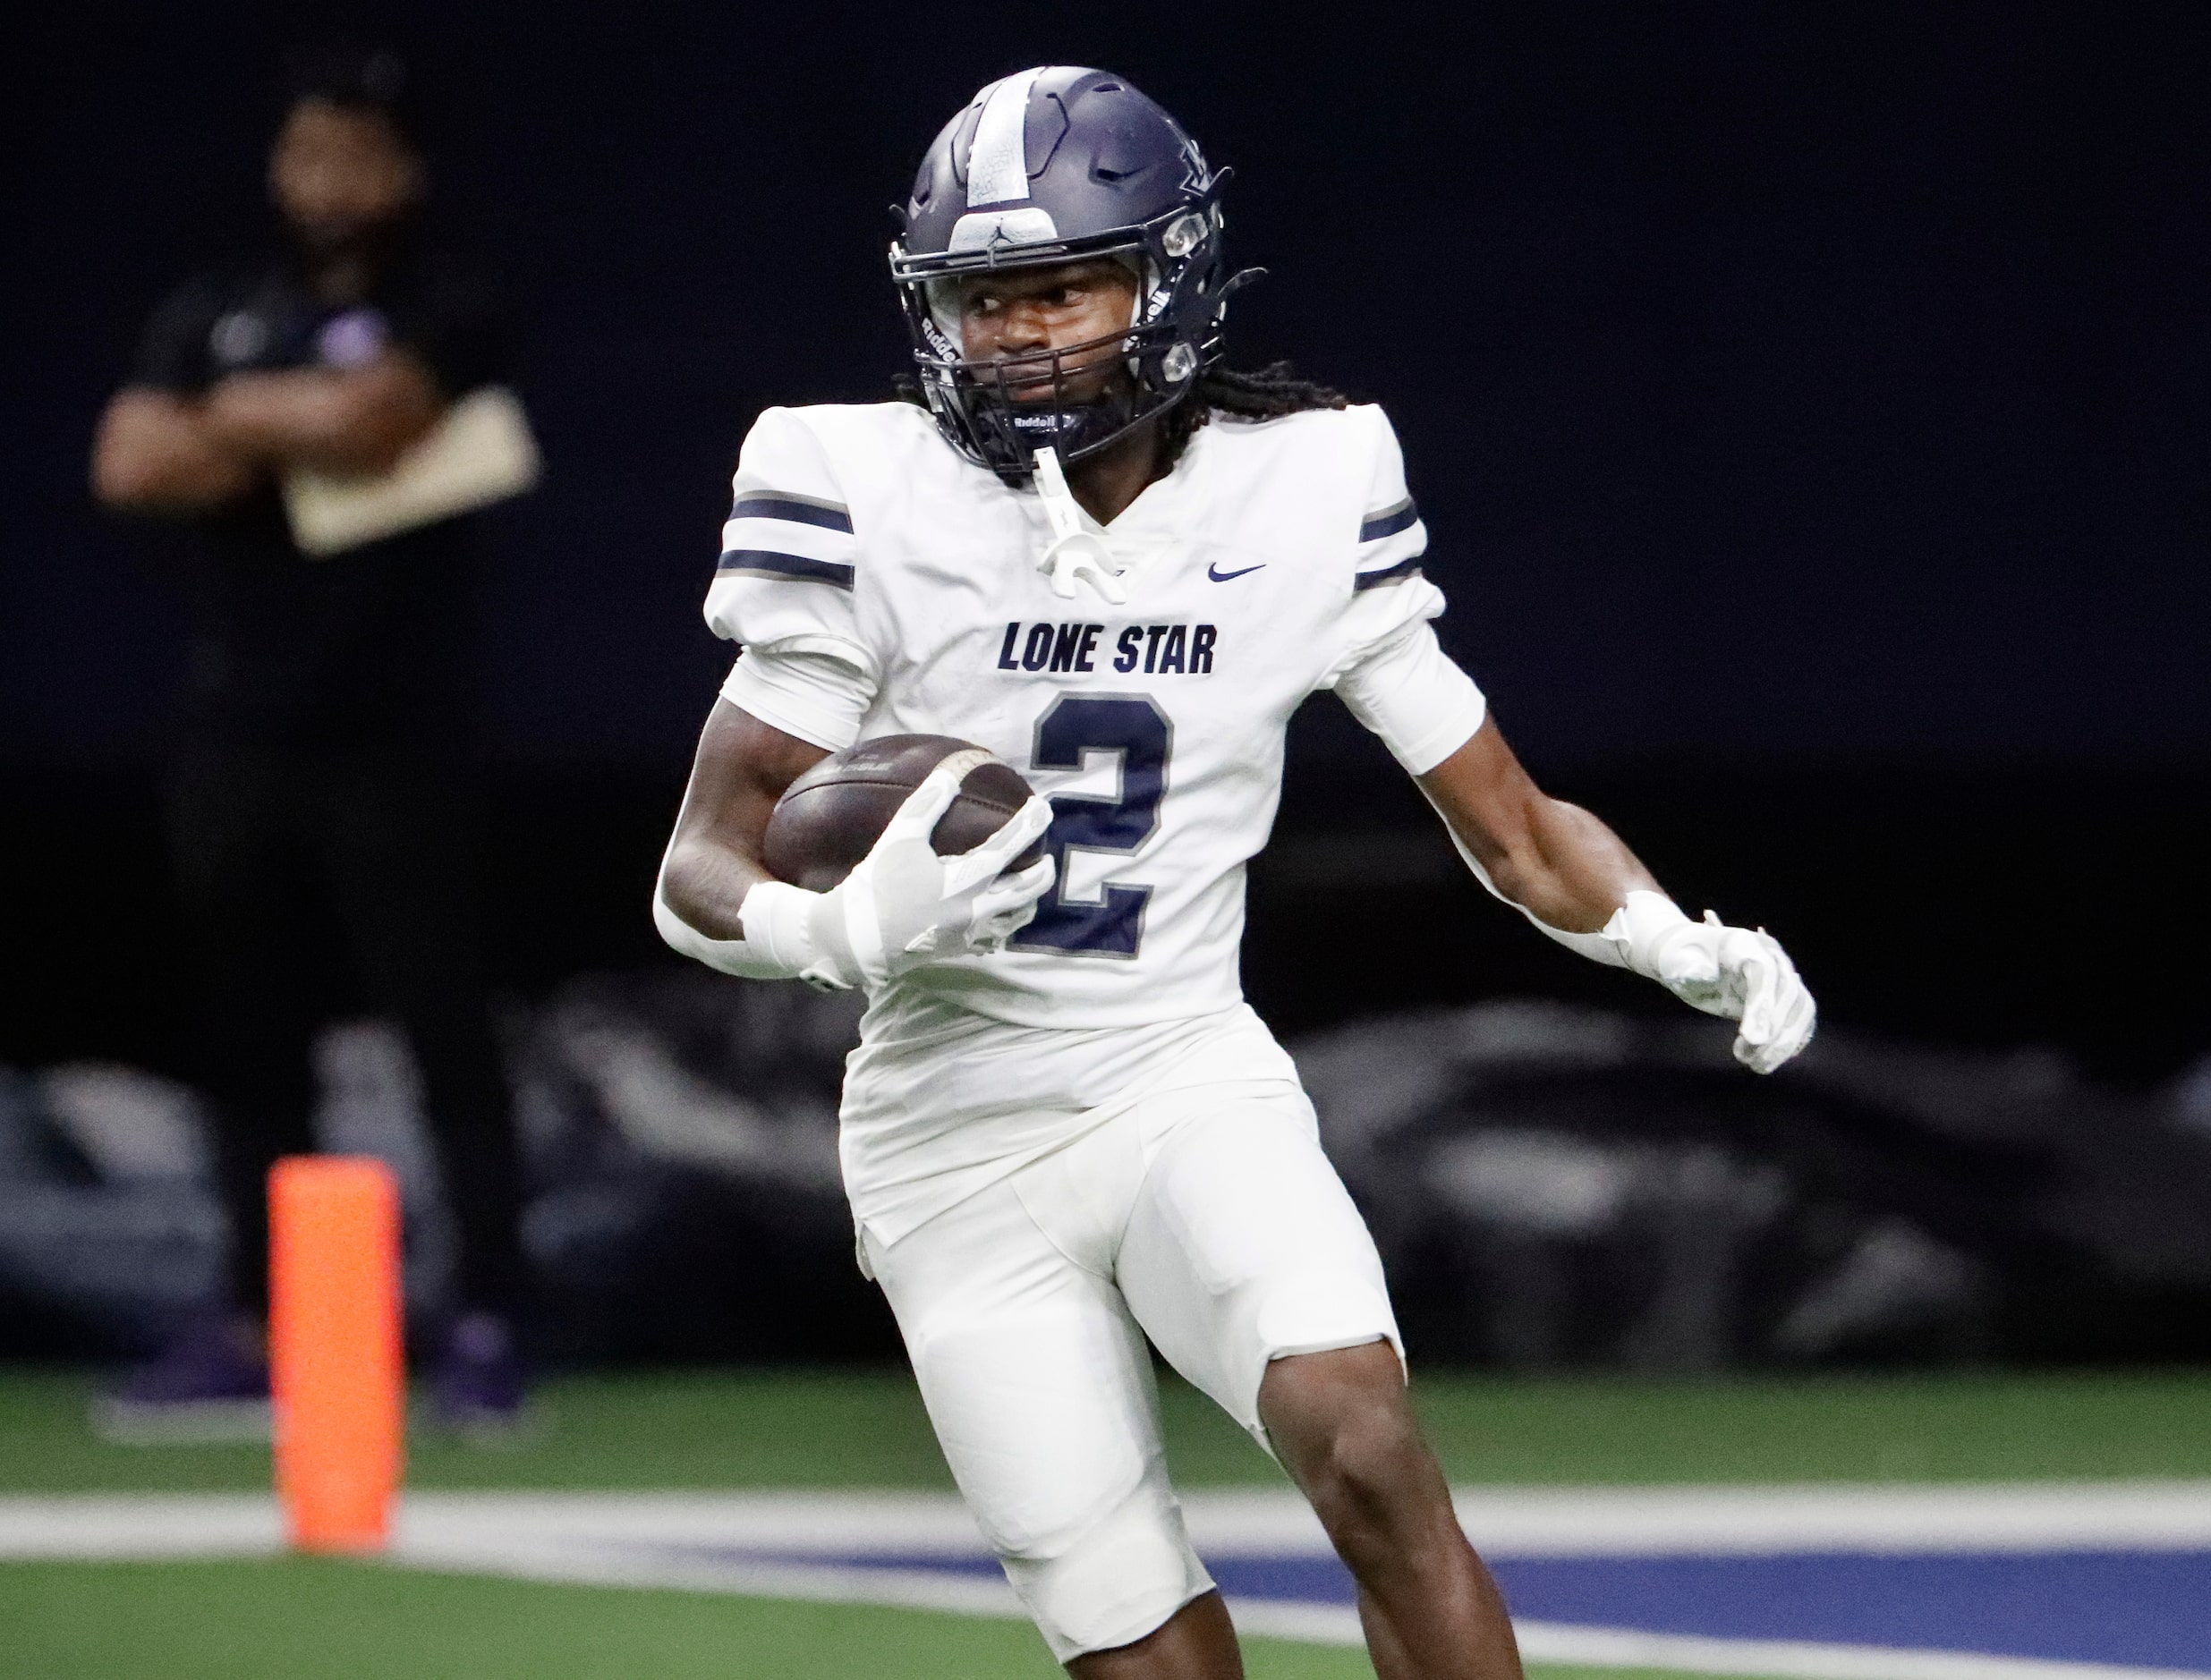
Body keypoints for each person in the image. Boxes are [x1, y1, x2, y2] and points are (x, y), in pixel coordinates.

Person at [656, 67, 1816, 1678]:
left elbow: (1513, 822)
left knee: (1363, 1440)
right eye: (987, 301)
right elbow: (700, 861)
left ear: (1169, 276)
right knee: (1135, 1642)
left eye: (1064, 285)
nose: (1027, 336)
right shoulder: (857, 484)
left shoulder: (1309, 479)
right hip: (947, 1135)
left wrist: (1675, 940)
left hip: (1177, 1069)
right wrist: (835, 925)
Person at [89, 48, 529, 1434]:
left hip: (396, 736)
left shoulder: (450, 297)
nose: (329, 182)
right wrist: (299, 427)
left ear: (402, 168)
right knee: (246, 1036)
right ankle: (257, 1317)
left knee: (443, 1031)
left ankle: (489, 1316)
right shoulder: (218, 304)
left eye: (356, 154)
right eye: (307, 153)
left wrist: (239, 425)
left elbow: (381, 411)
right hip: (234, 733)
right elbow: (128, 463)